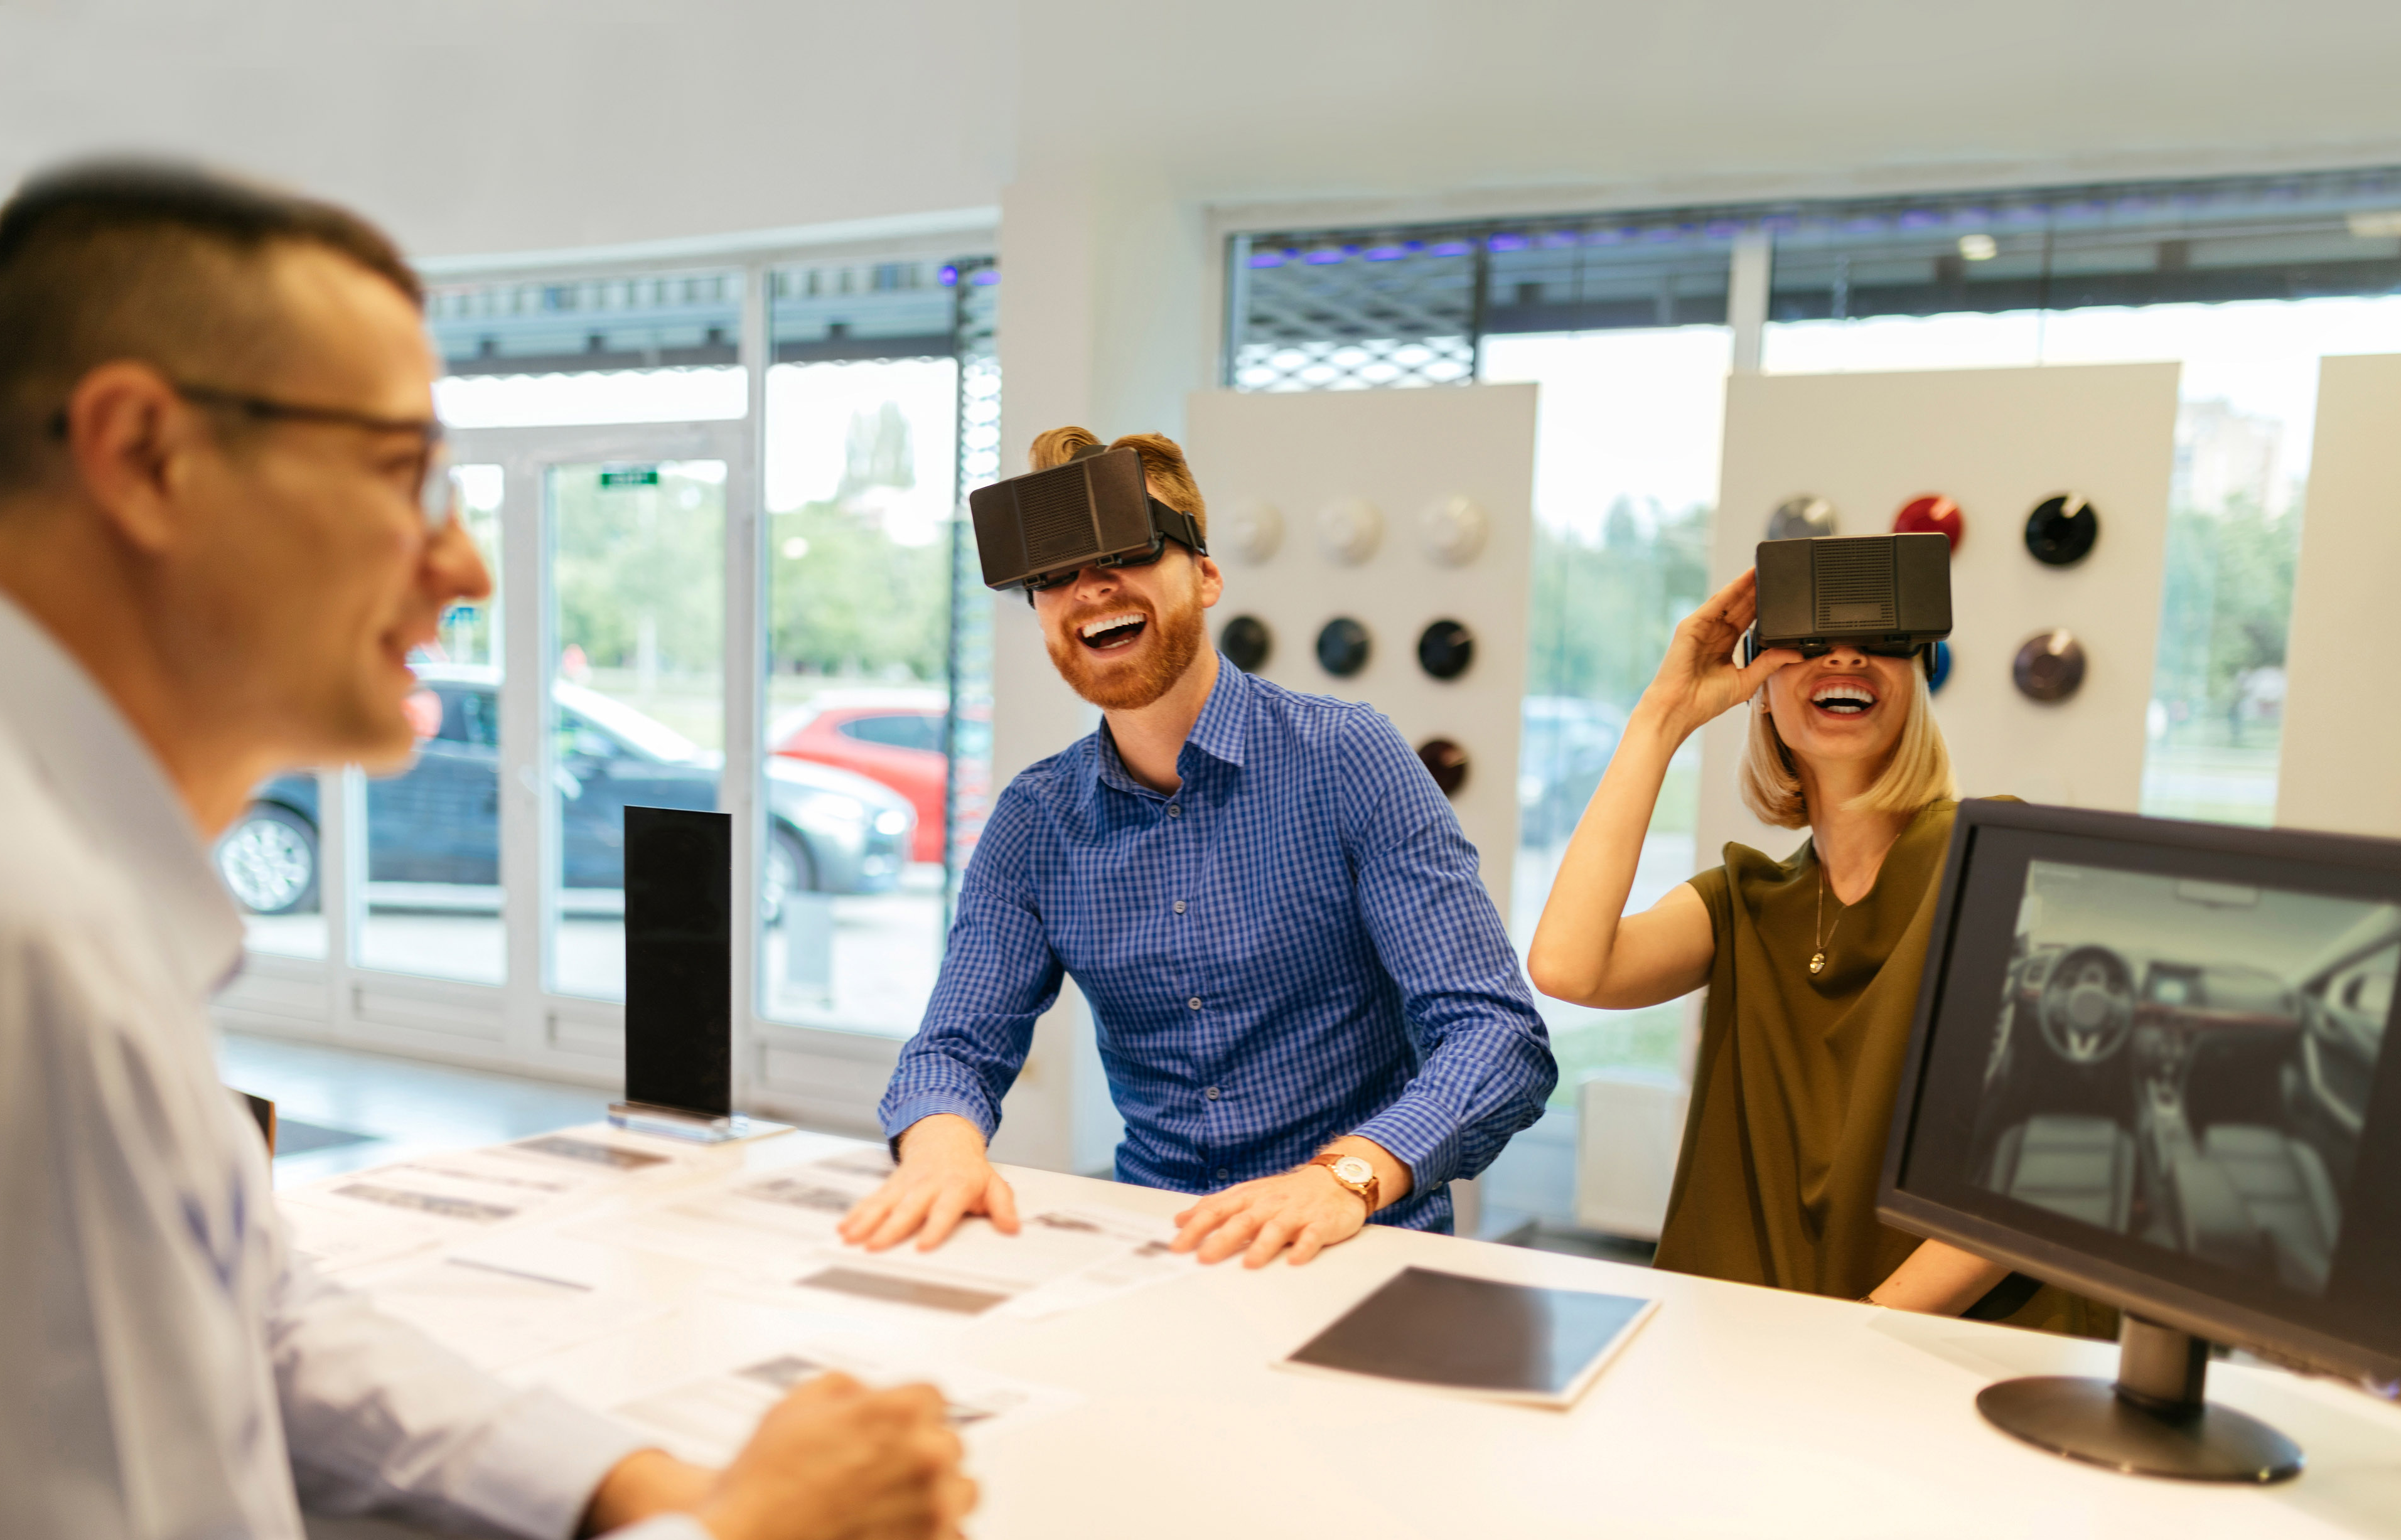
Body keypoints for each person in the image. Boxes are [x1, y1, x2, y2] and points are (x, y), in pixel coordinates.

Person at [0, 161, 974, 1540]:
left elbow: (251, 1312)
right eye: (402, 474)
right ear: (145, 455)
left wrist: (628, 1484)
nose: (466, 566)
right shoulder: (31, 949)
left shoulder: (72, 894)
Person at [839, 427, 1555, 1267]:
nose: (1089, 589)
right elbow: (955, 1046)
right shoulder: (1036, 820)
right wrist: (942, 1150)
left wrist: (1344, 1177)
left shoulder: (1348, 760)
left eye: (1128, 552)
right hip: (1161, 1248)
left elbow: (1494, 1035)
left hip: (1358, 1245)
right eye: (1054, 575)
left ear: (1207, 576)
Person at [1526, 569, 2112, 1333]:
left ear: (1916, 681)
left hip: (1944, 1357)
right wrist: (1661, 717)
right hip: (1764, 1352)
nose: (1845, 659)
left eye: (1879, 643)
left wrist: (1858, 1334)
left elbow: (2049, 1155)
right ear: (1761, 687)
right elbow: (1569, 966)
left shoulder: (1997, 857)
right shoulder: (1747, 902)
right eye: (1807, 644)